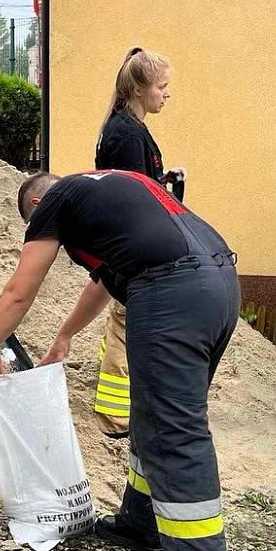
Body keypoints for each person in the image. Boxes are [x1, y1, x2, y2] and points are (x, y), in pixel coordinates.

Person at [0, 169, 238, 551]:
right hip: (217, 286)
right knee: (152, 416)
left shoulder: (55, 201)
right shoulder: (110, 190)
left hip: (170, 294)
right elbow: (101, 281)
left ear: (37, 206)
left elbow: (20, 291)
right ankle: (143, 523)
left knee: (174, 429)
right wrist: (64, 336)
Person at [90, 48, 185, 439]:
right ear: (139, 89)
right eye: (162, 86)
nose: (167, 94)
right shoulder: (127, 133)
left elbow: (137, 186)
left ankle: (119, 405)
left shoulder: (126, 127)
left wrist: (163, 181)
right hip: (133, 250)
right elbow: (133, 199)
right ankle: (115, 419)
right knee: (126, 326)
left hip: (127, 244)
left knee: (122, 322)